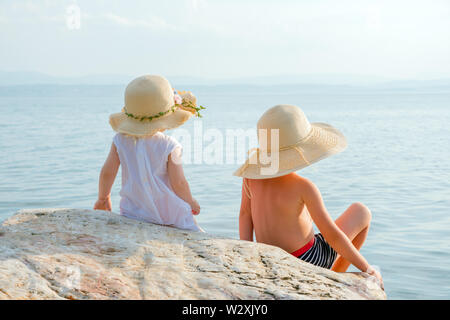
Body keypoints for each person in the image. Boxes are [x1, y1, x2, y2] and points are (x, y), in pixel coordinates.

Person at [234, 104, 383, 289]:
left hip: (269, 256)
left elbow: (245, 215)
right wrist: (367, 268)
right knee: (361, 212)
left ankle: (334, 276)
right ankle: (335, 277)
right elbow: (332, 235)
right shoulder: (303, 186)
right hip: (307, 259)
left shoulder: (251, 177)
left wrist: (249, 252)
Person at [94, 75, 204, 232]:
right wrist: (191, 201)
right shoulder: (170, 145)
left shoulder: (120, 140)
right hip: (170, 215)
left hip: (133, 212)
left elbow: (107, 172)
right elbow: (179, 183)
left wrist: (103, 199)